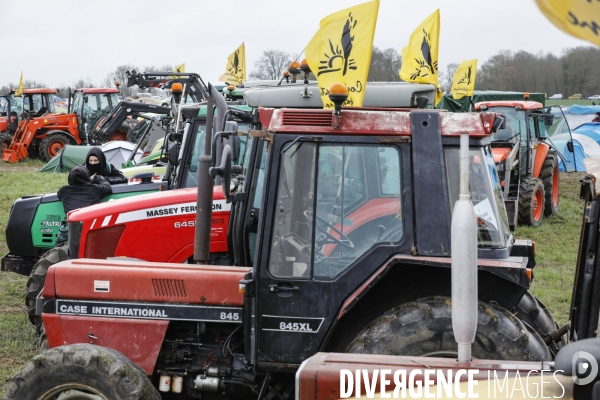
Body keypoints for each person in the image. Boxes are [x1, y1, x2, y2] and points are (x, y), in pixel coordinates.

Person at [55, 166, 113, 245]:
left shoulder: (64, 191)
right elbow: (108, 188)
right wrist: (100, 179)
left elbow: (60, 195)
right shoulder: (95, 189)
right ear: (87, 177)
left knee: (58, 248)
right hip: (91, 226)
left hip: (70, 228)